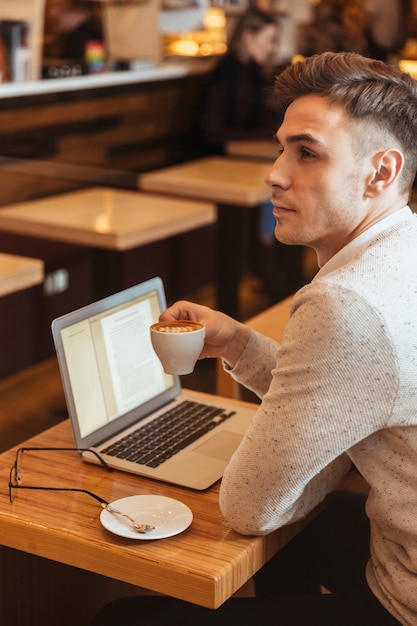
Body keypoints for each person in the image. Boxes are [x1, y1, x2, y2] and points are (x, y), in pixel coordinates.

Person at [89, 52, 417, 625]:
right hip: (398, 547)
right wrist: (241, 345)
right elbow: (358, 399)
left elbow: (252, 508)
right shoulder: (401, 249)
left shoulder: (347, 302)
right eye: (281, 147)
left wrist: (319, 467)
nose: (275, 172)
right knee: (290, 542)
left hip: (403, 598)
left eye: (307, 153)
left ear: (381, 173)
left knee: (121, 618)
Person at [197, 7, 305, 302]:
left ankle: (282, 282)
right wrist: (269, 133)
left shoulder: (253, 74)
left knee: (294, 193)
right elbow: (212, 132)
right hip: (217, 167)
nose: (273, 48)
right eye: (270, 40)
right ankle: (272, 280)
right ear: (248, 36)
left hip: (244, 163)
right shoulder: (226, 75)